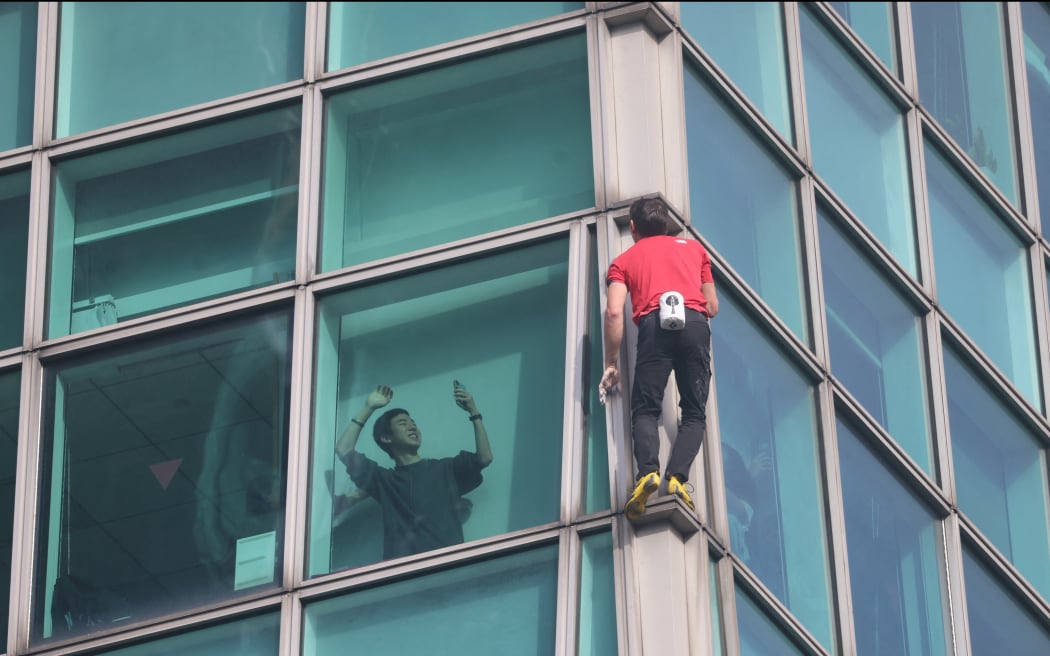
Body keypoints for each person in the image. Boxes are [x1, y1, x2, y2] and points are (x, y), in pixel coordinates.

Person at [599, 197, 718, 520]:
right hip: (694, 324)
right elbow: (712, 306)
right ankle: (678, 478)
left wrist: (611, 362)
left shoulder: (622, 261)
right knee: (694, 412)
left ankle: (648, 472)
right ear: (665, 225)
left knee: (646, 408)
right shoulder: (696, 251)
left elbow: (613, 312)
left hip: (654, 327)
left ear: (634, 228)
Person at [334, 383, 493, 559]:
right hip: (404, 574)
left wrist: (474, 412)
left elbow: (484, 458)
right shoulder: (386, 481)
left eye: (413, 423)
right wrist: (368, 407)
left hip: (449, 568)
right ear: (386, 438)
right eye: (403, 423)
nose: (412, 427)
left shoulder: (444, 469)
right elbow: (343, 450)